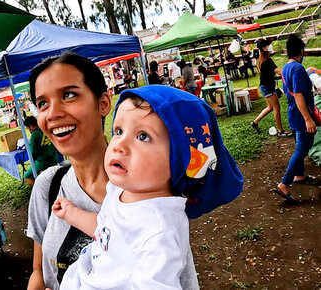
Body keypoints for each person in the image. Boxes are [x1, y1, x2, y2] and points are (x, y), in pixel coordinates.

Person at [26, 52, 199, 290]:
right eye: (42, 103)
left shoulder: (150, 200)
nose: (52, 113)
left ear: (103, 104)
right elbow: (39, 270)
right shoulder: (48, 185)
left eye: (68, 95)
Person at [56, 86, 243, 289]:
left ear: (180, 160)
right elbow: (107, 232)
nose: (118, 144)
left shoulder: (159, 231)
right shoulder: (120, 191)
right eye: (118, 131)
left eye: (143, 136)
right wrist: (72, 213)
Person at [272, 35, 319, 201]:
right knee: (302, 148)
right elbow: (298, 94)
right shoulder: (298, 69)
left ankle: (299, 175)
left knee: (302, 145)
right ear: (301, 51)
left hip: (293, 113)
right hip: (301, 115)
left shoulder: (286, 67)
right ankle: (284, 184)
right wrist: (308, 118)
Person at [250, 39, 292, 138]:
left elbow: (269, 74)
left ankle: (255, 122)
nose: (270, 47)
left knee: (270, 107)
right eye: (268, 45)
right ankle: (281, 131)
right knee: (276, 107)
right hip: (267, 87)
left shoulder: (261, 59)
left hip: (265, 86)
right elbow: (278, 71)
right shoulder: (268, 60)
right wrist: (290, 71)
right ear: (264, 48)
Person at [23, 116, 59, 186]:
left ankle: (39, 189)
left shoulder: (34, 135)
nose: (29, 130)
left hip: (44, 162)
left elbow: (32, 153)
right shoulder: (46, 129)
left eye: (28, 128)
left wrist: (32, 163)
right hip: (55, 159)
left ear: (30, 126)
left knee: (27, 176)